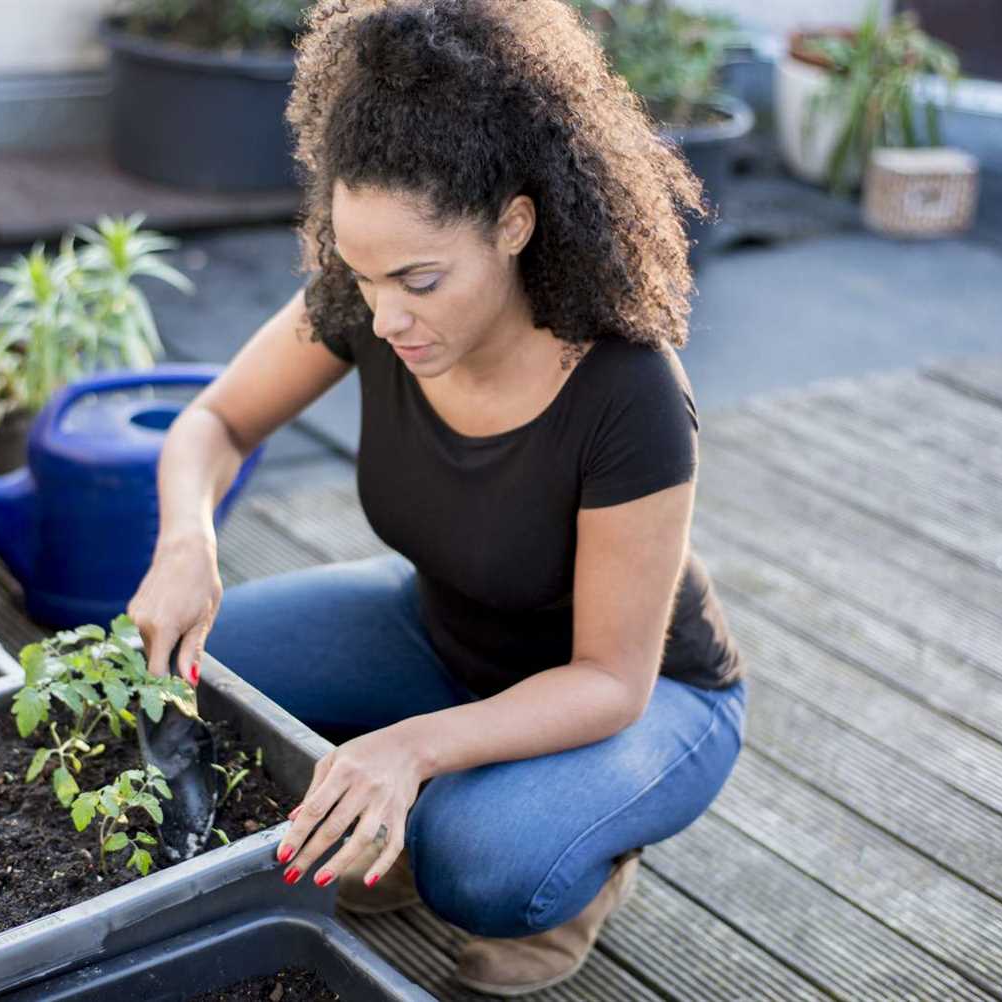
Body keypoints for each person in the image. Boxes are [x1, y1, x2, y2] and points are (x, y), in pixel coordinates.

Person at [128, 0, 748, 994]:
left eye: (418, 279)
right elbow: (213, 425)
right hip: (445, 631)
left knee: (480, 861)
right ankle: (419, 800)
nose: (385, 317)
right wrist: (184, 543)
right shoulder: (371, 293)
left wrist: (408, 751)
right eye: (363, 276)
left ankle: (582, 866)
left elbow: (610, 681)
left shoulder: (628, 389)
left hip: (639, 702)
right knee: (190, 670)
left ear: (515, 220)